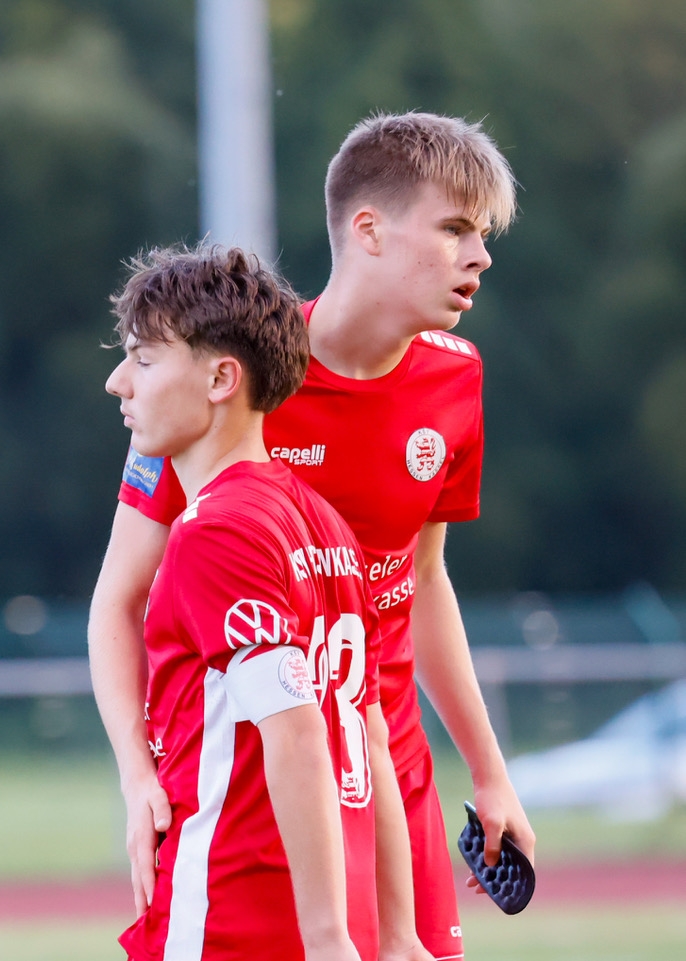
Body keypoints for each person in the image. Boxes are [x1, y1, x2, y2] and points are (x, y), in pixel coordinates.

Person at [90, 112, 536, 961]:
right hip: (253, 774)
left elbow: (422, 580)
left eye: (482, 234)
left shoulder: (456, 377)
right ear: (367, 230)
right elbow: (119, 600)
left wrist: (488, 770)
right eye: (454, 229)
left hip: (380, 753)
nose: (479, 255)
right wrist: (138, 773)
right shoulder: (222, 376)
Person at [100, 243, 430, 961]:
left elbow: (298, 734)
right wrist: (398, 934)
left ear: (222, 378)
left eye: (144, 361)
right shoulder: (324, 523)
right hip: (324, 913)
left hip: (235, 913)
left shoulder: (215, 530)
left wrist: (327, 938)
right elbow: (370, 739)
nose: (117, 383)